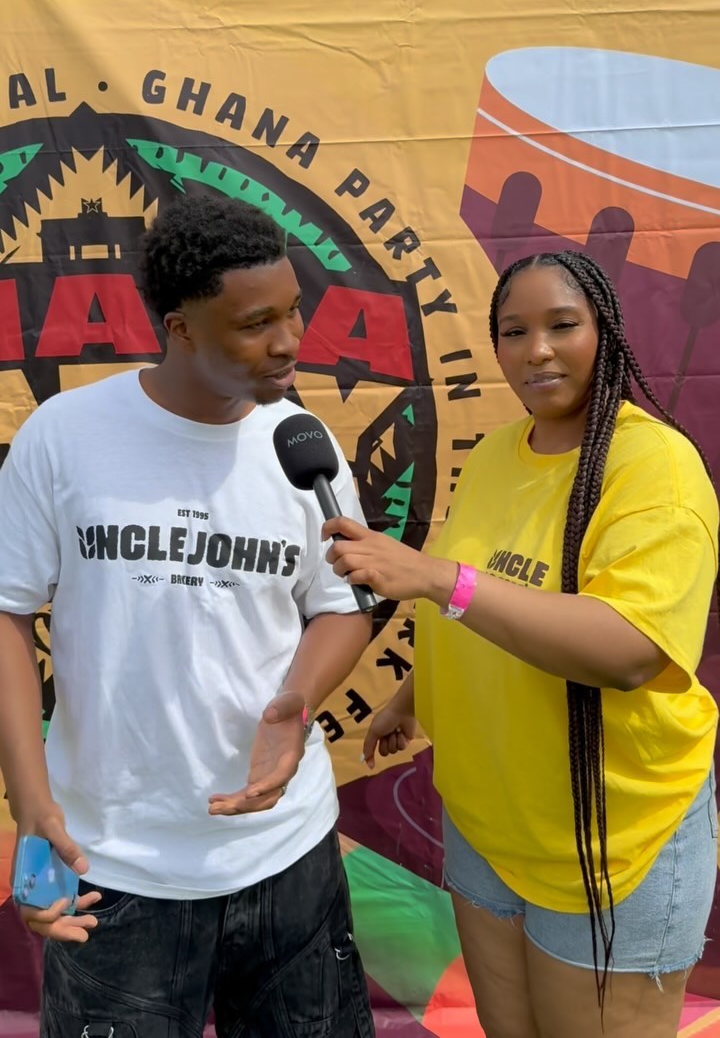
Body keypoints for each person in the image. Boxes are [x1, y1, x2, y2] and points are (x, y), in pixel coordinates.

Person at [0, 193, 375, 1038]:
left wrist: (298, 701)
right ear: (180, 329)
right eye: (255, 324)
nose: (288, 341)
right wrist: (30, 801)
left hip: (285, 855)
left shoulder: (304, 444)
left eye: (293, 311)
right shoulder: (64, 436)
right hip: (113, 865)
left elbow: (342, 605)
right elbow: (7, 615)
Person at [322, 249, 719, 1038]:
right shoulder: (500, 453)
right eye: (514, 332)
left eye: (562, 325)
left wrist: (437, 578)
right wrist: (412, 694)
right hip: (487, 823)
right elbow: (488, 600)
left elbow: (628, 648)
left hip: (606, 837)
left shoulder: (655, 466)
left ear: (605, 330)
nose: (536, 350)